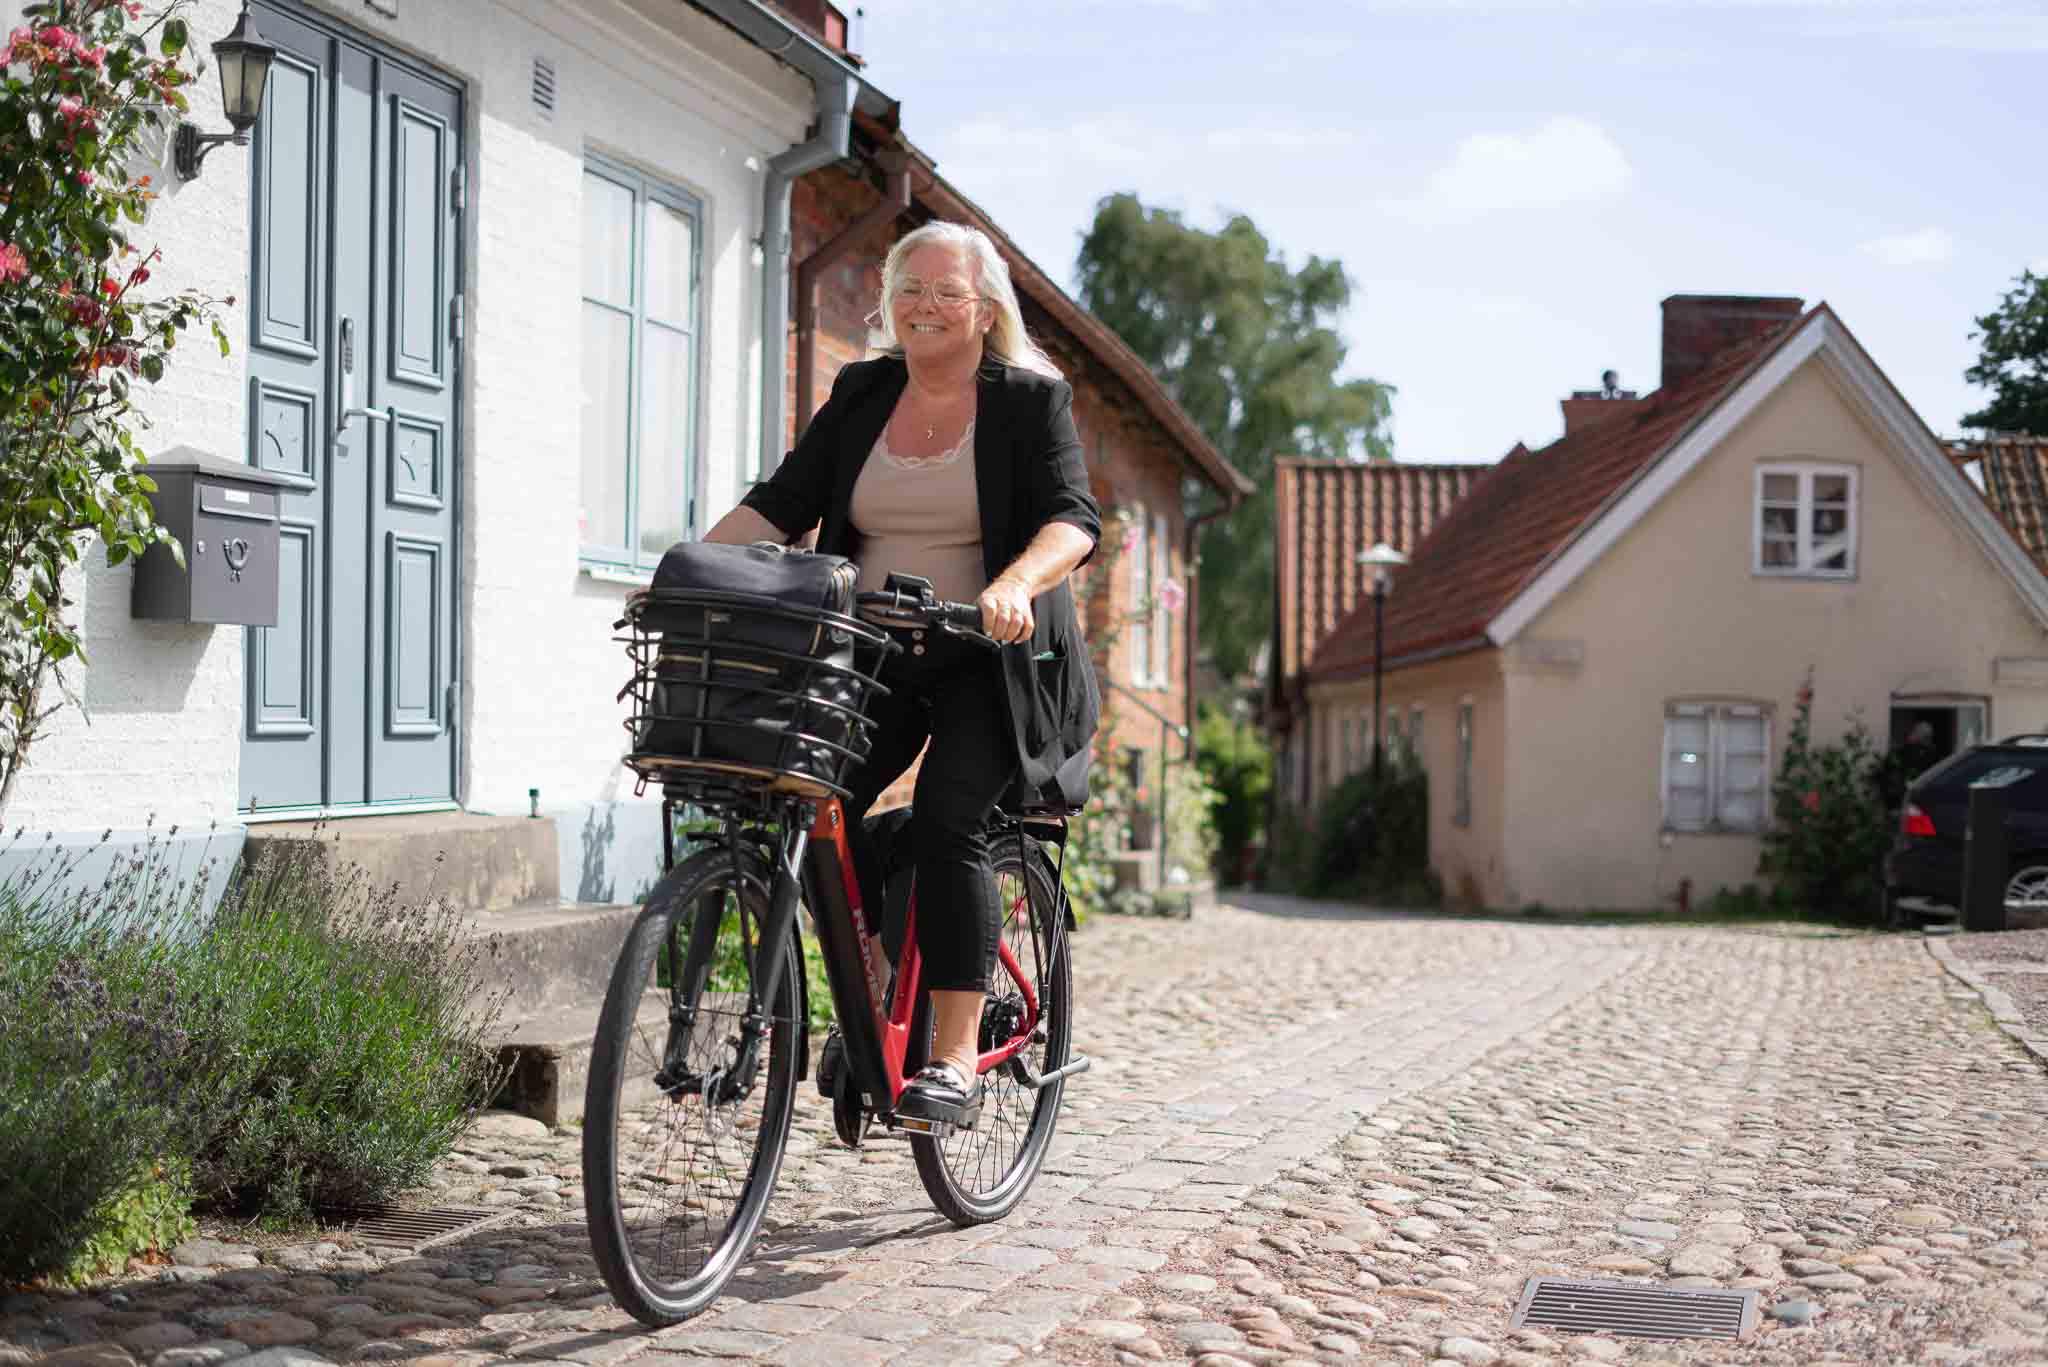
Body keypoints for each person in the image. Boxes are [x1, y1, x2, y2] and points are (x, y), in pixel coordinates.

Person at [702, 220, 1100, 1123]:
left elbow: (1074, 519)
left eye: (945, 291)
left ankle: (954, 1054)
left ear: (985, 306)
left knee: (952, 815)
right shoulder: (864, 390)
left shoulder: (1030, 403)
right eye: (908, 289)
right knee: (811, 794)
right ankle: (877, 984)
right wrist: (691, 570)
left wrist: (1014, 585)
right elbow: (786, 500)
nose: (924, 306)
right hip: (875, 653)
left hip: (991, 661)